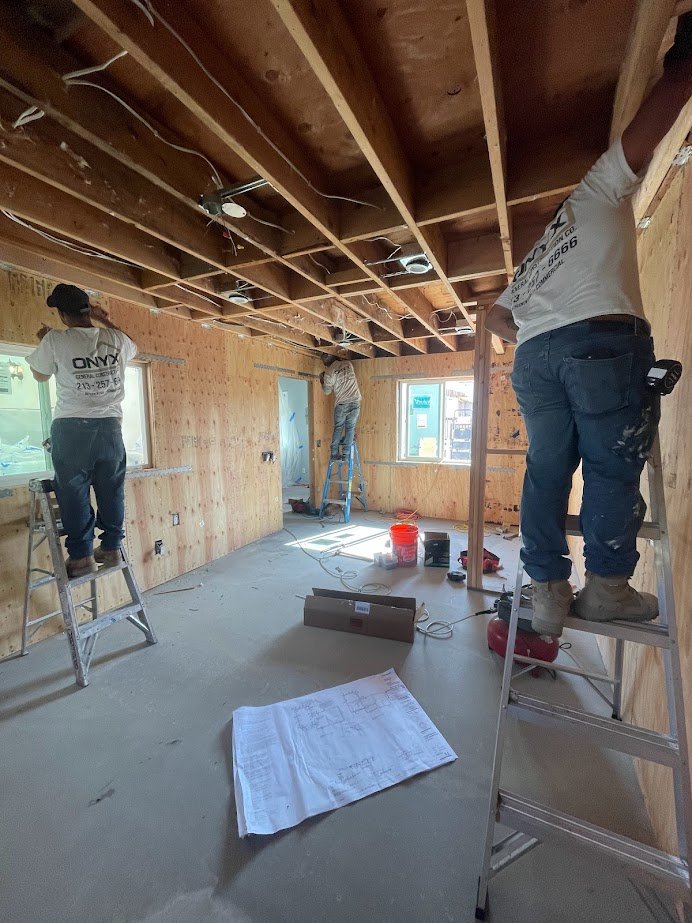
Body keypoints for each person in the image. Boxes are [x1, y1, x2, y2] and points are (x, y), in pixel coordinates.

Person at [486, 13, 692, 637]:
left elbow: (490, 314)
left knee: (547, 468)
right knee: (609, 466)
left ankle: (546, 590)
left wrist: (536, 340)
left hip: (536, 360)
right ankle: (605, 587)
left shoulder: (529, 269)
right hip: (601, 345)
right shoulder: (596, 193)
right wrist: (682, 68)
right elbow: (644, 132)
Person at [28, 284, 137, 578]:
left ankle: (81, 558)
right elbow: (131, 343)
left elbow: (39, 375)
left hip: (72, 428)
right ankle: (112, 548)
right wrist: (104, 319)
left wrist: (45, 343)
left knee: (72, 491)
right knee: (111, 489)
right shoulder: (114, 338)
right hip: (111, 430)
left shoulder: (56, 340)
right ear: (88, 310)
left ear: (62, 315)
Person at [320, 355, 362, 461]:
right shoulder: (348, 364)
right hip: (355, 402)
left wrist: (322, 381)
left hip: (342, 404)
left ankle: (334, 453)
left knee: (338, 428)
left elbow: (327, 391)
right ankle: (346, 454)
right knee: (350, 428)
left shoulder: (329, 373)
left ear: (326, 364)